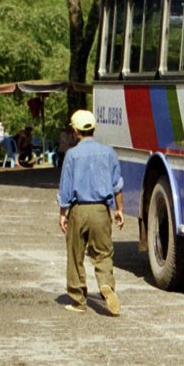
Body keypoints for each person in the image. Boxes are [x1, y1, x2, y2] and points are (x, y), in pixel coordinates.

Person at [57, 109, 124, 315]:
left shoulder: (72, 155)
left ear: (76, 131)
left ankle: (78, 301)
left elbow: (66, 188)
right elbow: (117, 185)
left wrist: (63, 213)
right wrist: (119, 209)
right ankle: (105, 285)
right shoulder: (108, 152)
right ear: (93, 129)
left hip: (79, 210)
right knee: (103, 254)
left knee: (75, 255)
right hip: (101, 210)